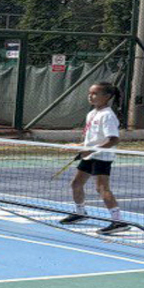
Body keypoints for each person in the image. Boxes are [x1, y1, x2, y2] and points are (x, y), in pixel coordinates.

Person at [59, 82, 131, 235]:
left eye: (95, 94)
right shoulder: (91, 114)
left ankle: (119, 221)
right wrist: (78, 145)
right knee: (76, 184)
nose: (90, 96)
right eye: (89, 93)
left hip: (102, 156)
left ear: (107, 96)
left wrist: (90, 150)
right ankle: (80, 213)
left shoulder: (107, 115)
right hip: (90, 155)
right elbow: (93, 139)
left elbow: (113, 139)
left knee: (101, 188)